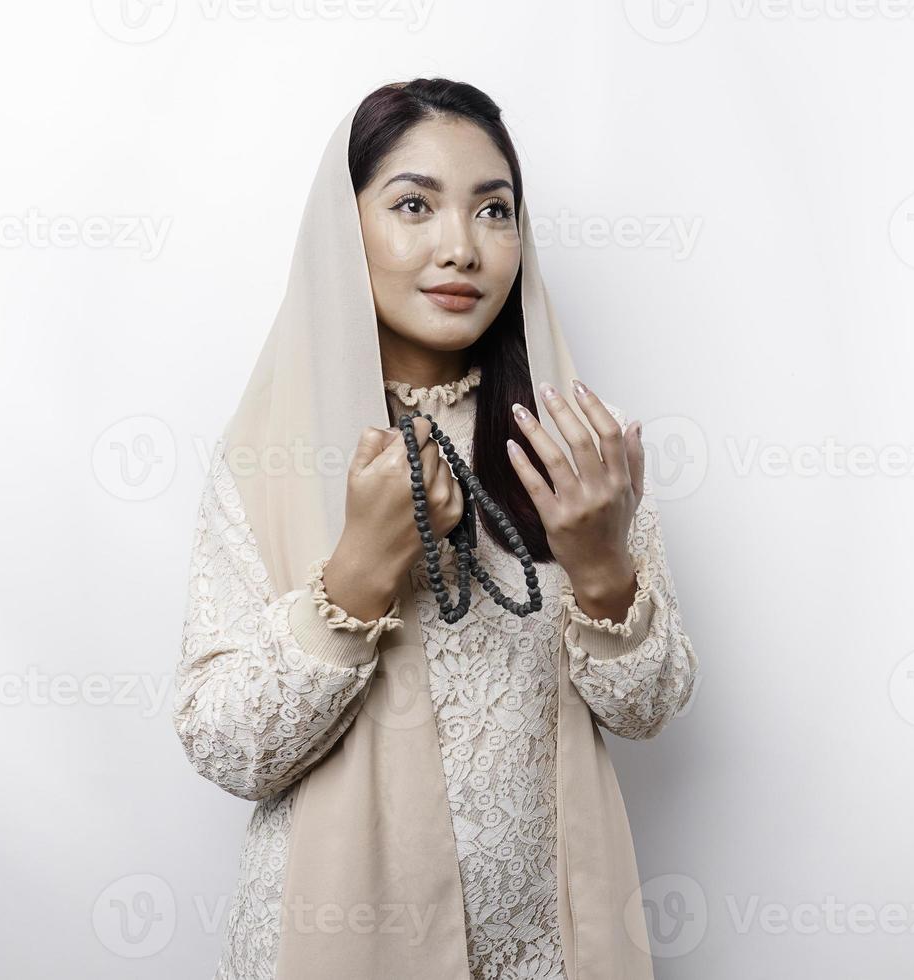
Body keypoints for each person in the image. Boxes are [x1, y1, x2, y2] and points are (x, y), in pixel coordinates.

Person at [172, 79, 700, 980]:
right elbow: (228, 747)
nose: (461, 248)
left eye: (494, 210)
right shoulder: (271, 454)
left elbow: (648, 711)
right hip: (336, 939)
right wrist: (359, 572)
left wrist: (603, 566)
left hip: (553, 942)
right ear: (347, 229)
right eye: (413, 204)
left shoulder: (575, 445)